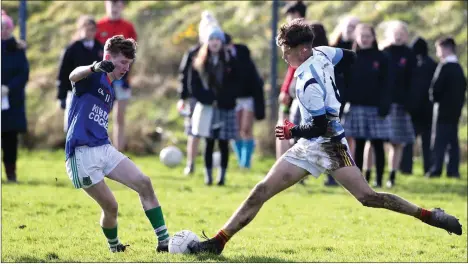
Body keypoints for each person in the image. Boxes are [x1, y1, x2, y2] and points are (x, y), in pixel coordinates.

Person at [186, 19, 462, 255]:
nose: (284, 57)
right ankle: (218, 242)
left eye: (287, 51)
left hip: (329, 146)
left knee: (368, 197)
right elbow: (351, 58)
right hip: (309, 147)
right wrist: (338, 88)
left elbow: (319, 126)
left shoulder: (307, 83)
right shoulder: (323, 52)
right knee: (261, 190)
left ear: (303, 49)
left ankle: (429, 215)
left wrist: (292, 130)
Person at [65, 35, 170, 253]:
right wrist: (94, 67)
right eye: (122, 62)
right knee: (111, 207)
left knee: (144, 182)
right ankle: (115, 248)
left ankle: (164, 242)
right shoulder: (91, 77)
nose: (126, 68)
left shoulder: (111, 89)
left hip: (103, 148)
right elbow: (72, 75)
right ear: (107, 58)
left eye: (129, 64)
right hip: (82, 155)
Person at [341, 23, 392, 187]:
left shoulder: (382, 58)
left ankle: (378, 180)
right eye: (361, 36)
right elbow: (344, 84)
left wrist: (385, 105)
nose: (364, 39)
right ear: (357, 37)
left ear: (373, 38)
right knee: (359, 144)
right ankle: (360, 180)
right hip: (355, 107)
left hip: (376, 108)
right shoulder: (350, 58)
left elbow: (387, 84)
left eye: (368, 36)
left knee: (378, 144)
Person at [188, 26, 239, 186]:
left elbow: (236, 84)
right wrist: (206, 98)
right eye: (211, 39)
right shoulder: (199, 61)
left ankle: (222, 176)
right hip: (207, 106)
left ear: (222, 42)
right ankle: (208, 176)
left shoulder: (230, 61)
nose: (214, 42)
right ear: (207, 42)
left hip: (225, 107)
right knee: (208, 141)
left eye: (217, 39)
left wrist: (225, 99)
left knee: (223, 142)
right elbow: (193, 84)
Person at [96, 0, 138, 151]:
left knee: (120, 117)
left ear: (122, 6)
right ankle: (100, 149)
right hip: (102, 79)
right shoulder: (99, 26)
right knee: (99, 115)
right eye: (111, 4)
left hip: (122, 79)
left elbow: (133, 56)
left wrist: (126, 74)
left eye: (117, 4)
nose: (114, 8)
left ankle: (117, 152)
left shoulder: (128, 27)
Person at [381, 20, 416, 188]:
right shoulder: (383, 52)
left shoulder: (409, 54)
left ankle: (392, 175)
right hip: (383, 103)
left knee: (398, 142)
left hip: (401, 104)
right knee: (376, 142)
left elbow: (412, 80)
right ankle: (371, 174)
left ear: (406, 35)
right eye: (396, 33)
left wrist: (410, 102)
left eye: (402, 33)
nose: (399, 36)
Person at [426, 37, 467, 178]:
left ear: (445, 49)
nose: (438, 53)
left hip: (442, 110)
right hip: (455, 111)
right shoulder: (459, 68)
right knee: (452, 142)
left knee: (439, 141)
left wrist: (434, 98)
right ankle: (452, 170)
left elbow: (435, 90)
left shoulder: (444, 67)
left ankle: (436, 169)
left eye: (438, 50)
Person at [57, 15, 104, 133]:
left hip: (94, 93)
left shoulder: (100, 48)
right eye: (86, 28)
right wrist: (61, 96)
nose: (89, 32)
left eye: (92, 29)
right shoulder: (72, 48)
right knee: (72, 126)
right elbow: (63, 72)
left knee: (91, 127)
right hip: (74, 93)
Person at [227, 33, 265, 169]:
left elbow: (250, 78)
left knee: (246, 129)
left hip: (247, 97)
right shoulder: (222, 58)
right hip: (234, 99)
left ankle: (246, 162)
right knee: (235, 131)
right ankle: (240, 160)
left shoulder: (242, 54)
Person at [399, 37, 437, 175]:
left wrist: (408, 105)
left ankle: (406, 168)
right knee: (427, 143)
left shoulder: (412, 64)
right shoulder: (433, 64)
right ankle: (428, 168)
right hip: (429, 110)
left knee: (409, 141)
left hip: (413, 109)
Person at [276, 0, 307, 160]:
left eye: (290, 15)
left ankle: (289, 163)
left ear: (297, 15)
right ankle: (283, 163)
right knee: (284, 124)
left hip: (298, 90)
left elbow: (295, 68)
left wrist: (286, 89)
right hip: (292, 89)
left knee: (288, 127)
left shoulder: (302, 38)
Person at [1, 11, 29, 182]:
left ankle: (11, 174)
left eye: (6, 28)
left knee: (10, 141)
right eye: (0, 28)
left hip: (12, 102)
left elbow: (23, 73)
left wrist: (8, 88)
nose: (3, 31)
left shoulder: (18, 49)